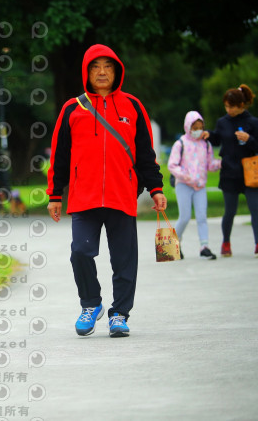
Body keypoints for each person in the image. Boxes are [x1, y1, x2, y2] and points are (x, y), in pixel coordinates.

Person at [46, 44, 167, 338]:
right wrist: (55, 194)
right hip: (83, 196)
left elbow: (145, 153)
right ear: (86, 72)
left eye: (108, 66)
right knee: (80, 252)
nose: (102, 72)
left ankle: (120, 314)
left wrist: (156, 188)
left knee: (124, 260)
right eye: (96, 67)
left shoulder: (132, 106)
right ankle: (91, 304)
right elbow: (60, 154)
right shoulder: (72, 108)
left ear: (117, 71)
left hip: (121, 194)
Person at [203, 84, 258, 257]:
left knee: (255, 209)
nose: (228, 110)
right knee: (230, 211)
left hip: (250, 173)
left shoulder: (253, 122)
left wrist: (249, 139)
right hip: (229, 173)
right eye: (226, 106)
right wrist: (209, 135)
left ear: (241, 105)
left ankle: (257, 243)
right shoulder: (222, 122)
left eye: (231, 107)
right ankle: (226, 242)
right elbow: (218, 140)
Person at [168, 111, 221, 259]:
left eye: (200, 127)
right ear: (188, 127)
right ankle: (173, 246)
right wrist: (186, 176)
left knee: (202, 216)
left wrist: (222, 163)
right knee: (184, 217)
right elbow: (172, 165)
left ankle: (204, 247)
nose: (198, 130)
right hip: (183, 185)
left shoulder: (206, 144)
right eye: (195, 128)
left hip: (200, 186)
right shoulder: (180, 144)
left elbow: (210, 165)